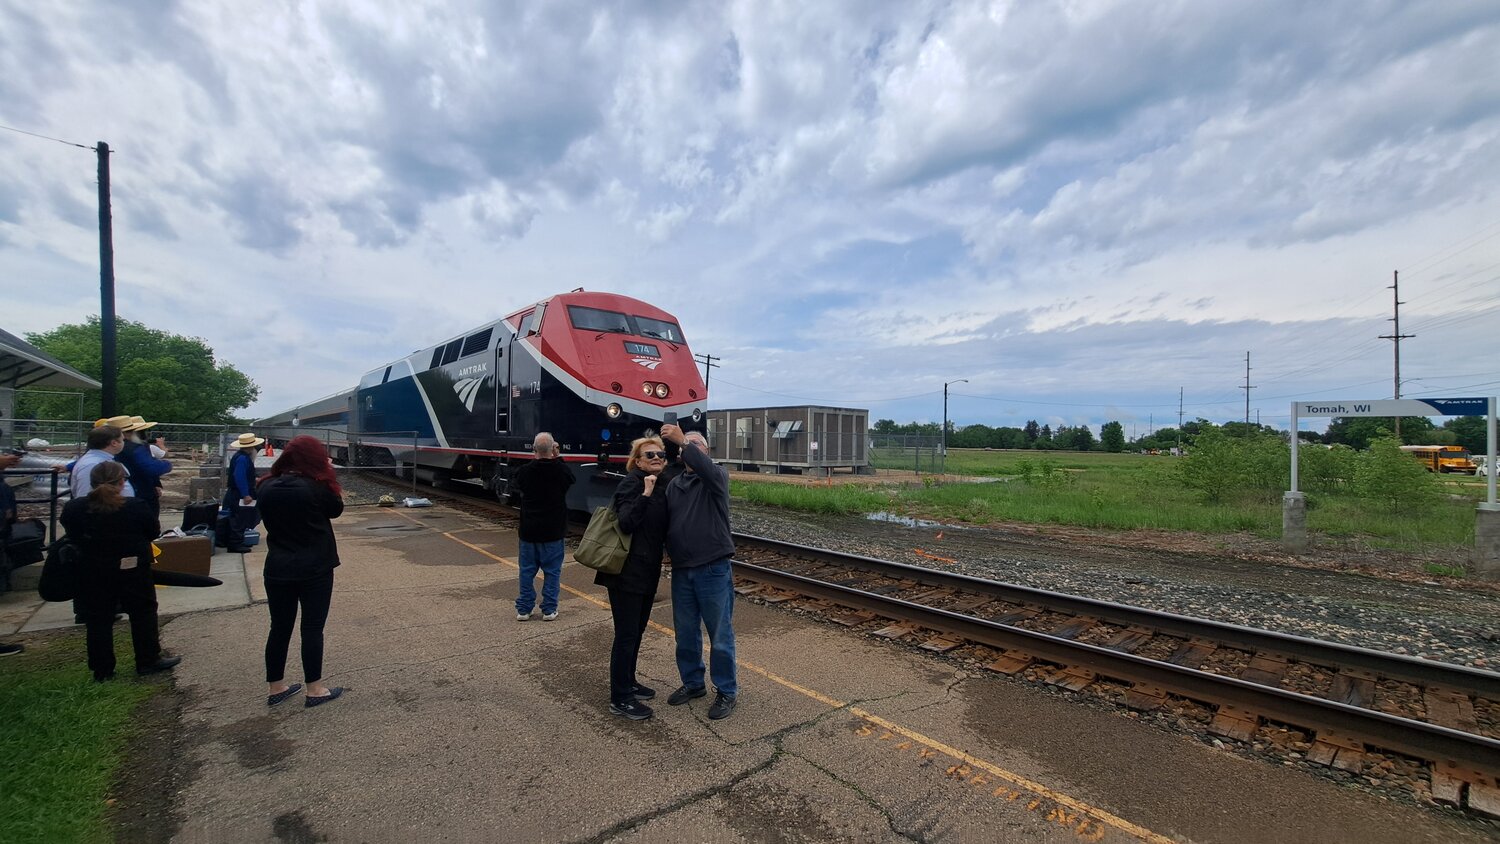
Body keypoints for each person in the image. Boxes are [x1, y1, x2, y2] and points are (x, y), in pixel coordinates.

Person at [60, 461, 180, 682]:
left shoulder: (75, 508)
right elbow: (152, 531)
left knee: (98, 618)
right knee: (142, 612)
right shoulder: (135, 506)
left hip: (92, 569)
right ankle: (147, 660)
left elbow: (71, 532)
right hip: (131, 567)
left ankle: (102, 669)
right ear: (122, 482)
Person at [256, 436, 346, 708]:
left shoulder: (265, 486)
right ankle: (315, 689)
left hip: (277, 567)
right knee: (312, 628)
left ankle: (276, 687)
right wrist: (327, 474)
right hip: (315, 567)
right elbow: (337, 510)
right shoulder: (317, 488)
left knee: (279, 627)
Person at [659, 424, 739, 720]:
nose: (689, 449)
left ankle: (727, 690)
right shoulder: (674, 486)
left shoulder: (716, 477)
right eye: (685, 447)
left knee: (720, 634)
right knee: (686, 633)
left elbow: (707, 469)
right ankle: (693, 683)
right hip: (683, 571)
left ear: (705, 452)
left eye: (695, 445)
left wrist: (682, 439)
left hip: (713, 569)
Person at [596, 436, 669, 720]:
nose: (656, 458)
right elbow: (626, 522)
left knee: (636, 632)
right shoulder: (633, 483)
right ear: (636, 461)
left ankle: (629, 682)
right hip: (626, 573)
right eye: (649, 454)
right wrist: (646, 494)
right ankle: (620, 697)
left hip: (647, 571)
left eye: (660, 454)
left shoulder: (660, 483)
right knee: (626, 635)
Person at [509, 432, 574, 621]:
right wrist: (557, 457)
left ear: (534, 449)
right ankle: (549, 609)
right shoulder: (560, 471)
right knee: (552, 572)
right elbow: (570, 478)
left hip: (529, 531)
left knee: (526, 571)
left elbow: (517, 484)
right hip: (553, 532)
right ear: (553, 449)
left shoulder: (524, 471)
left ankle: (524, 609)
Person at [117, 416, 172, 518]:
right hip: (141, 492)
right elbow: (151, 467)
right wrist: (167, 464)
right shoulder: (136, 448)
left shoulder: (120, 448)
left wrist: (156, 483)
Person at [223, 433, 264, 553]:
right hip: (239, 494)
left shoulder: (240, 456)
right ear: (251, 446)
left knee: (241, 516)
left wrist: (254, 479)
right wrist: (246, 494)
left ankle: (237, 541)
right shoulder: (242, 458)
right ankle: (235, 544)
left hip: (237, 492)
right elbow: (239, 476)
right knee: (239, 518)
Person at [71, 424, 135, 499]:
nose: (124, 442)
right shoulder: (92, 465)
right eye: (122, 440)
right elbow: (85, 497)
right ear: (114, 443)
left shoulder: (100, 460)